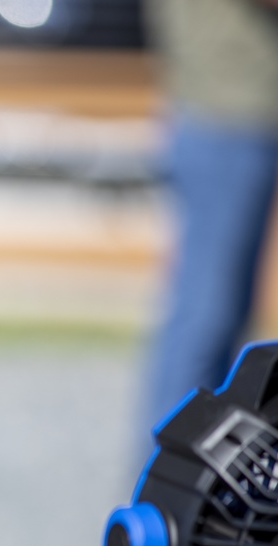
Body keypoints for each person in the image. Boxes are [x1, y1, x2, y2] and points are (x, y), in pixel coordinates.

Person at [141, 0, 278, 458]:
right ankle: (166, 501)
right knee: (206, 322)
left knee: (223, 323)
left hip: (240, 105)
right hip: (228, 109)